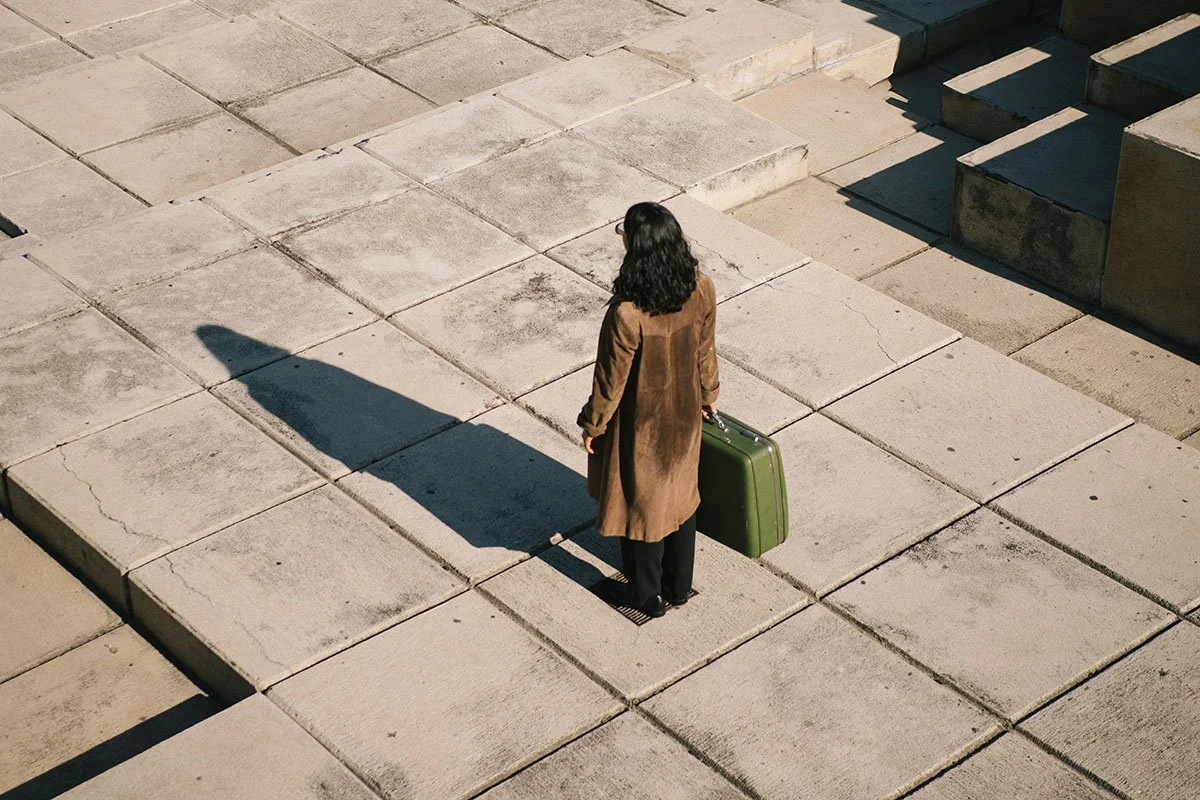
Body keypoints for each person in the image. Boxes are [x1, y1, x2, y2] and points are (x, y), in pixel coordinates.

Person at [577, 201, 719, 619]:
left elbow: (610, 380)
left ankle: (647, 597)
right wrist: (709, 393)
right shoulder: (701, 287)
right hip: (686, 416)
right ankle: (679, 586)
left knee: (642, 509)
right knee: (681, 497)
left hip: (643, 427)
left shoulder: (627, 313)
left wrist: (593, 424)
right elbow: (706, 351)